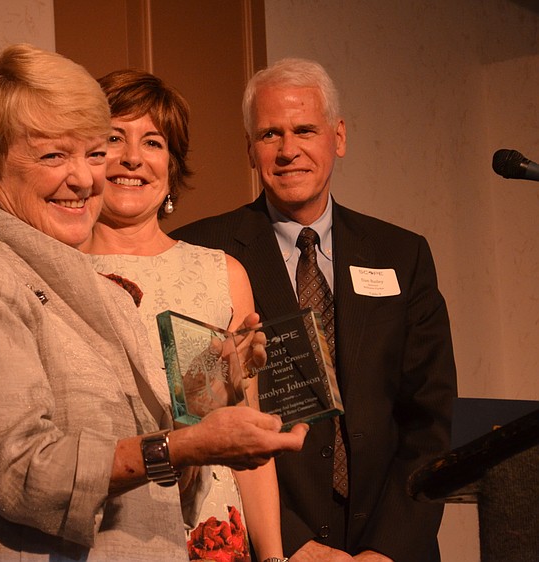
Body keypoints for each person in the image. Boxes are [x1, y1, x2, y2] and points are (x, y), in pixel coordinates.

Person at [0, 44, 309, 561]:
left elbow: (162, 486)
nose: (86, 177)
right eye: (54, 155)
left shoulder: (103, 293)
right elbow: (24, 474)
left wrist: (206, 408)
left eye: (93, 153)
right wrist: (184, 445)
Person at [172, 58, 457, 562]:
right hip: (274, 546)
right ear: (249, 149)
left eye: (305, 129)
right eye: (269, 134)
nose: (289, 151)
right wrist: (292, 544)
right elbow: (201, 426)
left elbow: (427, 423)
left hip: (395, 547)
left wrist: (387, 549)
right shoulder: (200, 254)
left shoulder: (402, 254)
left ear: (338, 137)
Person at [83, 69, 288, 562]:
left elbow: (247, 438)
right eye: (114, 138)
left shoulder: (221, 274)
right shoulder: (58, 273)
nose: (132, 157)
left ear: (171, 168)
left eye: (152, 142)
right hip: (102, 532)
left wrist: (275, 557)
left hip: (210, 535)